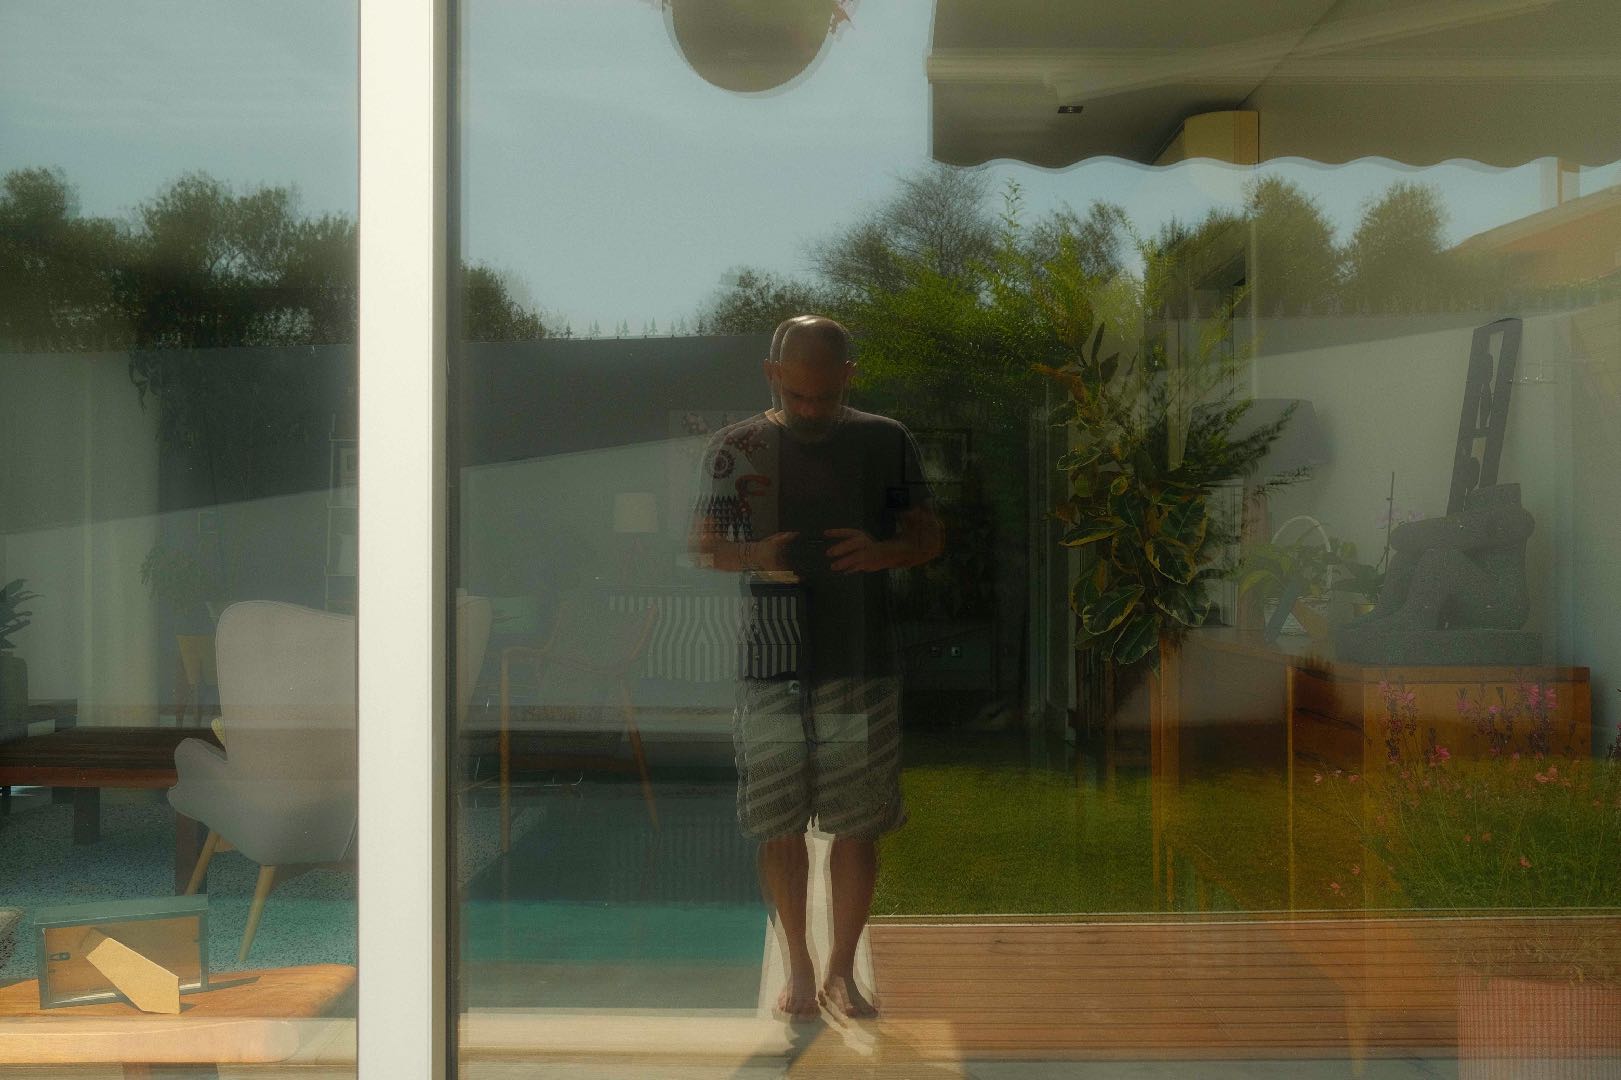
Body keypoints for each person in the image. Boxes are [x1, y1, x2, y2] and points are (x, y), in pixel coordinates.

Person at [690, 315, 942, 1022]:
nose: (808, 408)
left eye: (823, 396)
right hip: (770, 663)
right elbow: (705, 545)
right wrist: (756, 554)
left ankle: (841, 972)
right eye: (795, 394)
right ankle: (799, 967)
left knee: (857, 823)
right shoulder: (736, 447)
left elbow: (929, 536)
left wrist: (883, 552)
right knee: (778, 822)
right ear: (772, 374)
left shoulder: (885, 441)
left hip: (859, 661)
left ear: (848, 378)